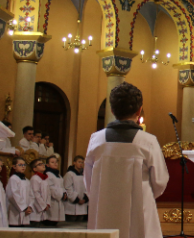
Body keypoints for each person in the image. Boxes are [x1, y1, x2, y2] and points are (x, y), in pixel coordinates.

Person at [85, 82, 169, 238]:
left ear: (112, 110)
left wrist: (103, 194)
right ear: (139, 110)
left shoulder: (96, 140)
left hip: (103, 210)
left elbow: (89, 181)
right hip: (139, 210)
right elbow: (159, 181)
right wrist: (141, 195)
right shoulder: (148, 141)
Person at [6, 157, 33, 227]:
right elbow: (13, 195)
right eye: (20, 165)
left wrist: (30, 206)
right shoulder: (13, 179)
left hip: (26, 212)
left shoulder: (27, 181)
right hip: (15, 212)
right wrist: (24, 208)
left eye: (24, 165)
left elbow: (31, 195)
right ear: (14, 166)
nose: (23, 166)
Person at [64, 155, 88, 221]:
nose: (81, 164)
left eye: (82, 162)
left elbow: (87, 187)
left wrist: (85, 198)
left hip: (82, 205)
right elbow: (67, 187)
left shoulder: (84, 174)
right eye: (79, 162)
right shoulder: (69, 174)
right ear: (74, 162)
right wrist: (76, 199)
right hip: (72, 205)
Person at [45, 156, 67, 225]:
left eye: (56, 162)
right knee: (51, 220)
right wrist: (61, 194)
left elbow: (62, 186)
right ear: (47, 165)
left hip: (59, 199)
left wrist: (64, 193)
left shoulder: (58, 175)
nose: (55, 163)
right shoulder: (47, 174)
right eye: (52, 162)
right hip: (52, 200)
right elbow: (50, 188)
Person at [29, 158, 51, 227]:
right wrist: (43, 206)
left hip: (44, 208)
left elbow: (48, 192)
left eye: (42, 163)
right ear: (34, 169)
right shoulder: (34, 178)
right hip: (36, 209)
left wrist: (48, 203)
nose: (42, 165)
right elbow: (35, 194)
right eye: (39, 164)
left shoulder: (45, 178)